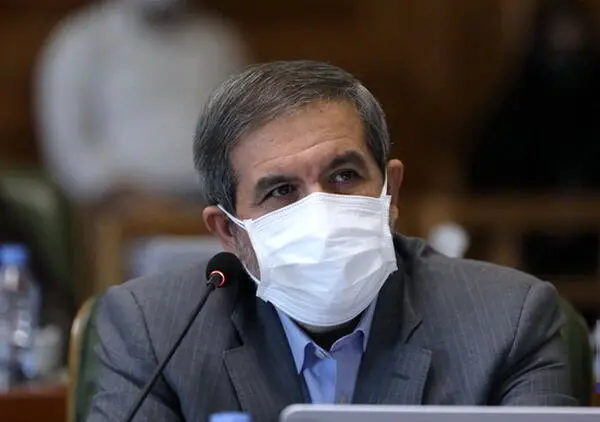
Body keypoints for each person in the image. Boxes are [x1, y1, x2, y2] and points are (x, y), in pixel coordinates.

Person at [88, 61, 576, 422]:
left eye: (344, 175)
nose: (320, 210)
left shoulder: (507, 321)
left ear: (391, 192)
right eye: (281, 191)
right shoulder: (154, 331)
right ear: (229, 231)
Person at [36, 0, 246, 205]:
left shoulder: (217, 40)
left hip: (218, 200)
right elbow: (70, 151)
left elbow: (240, 125)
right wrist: (126, 196)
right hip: (125, 208)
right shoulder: (80, 40)